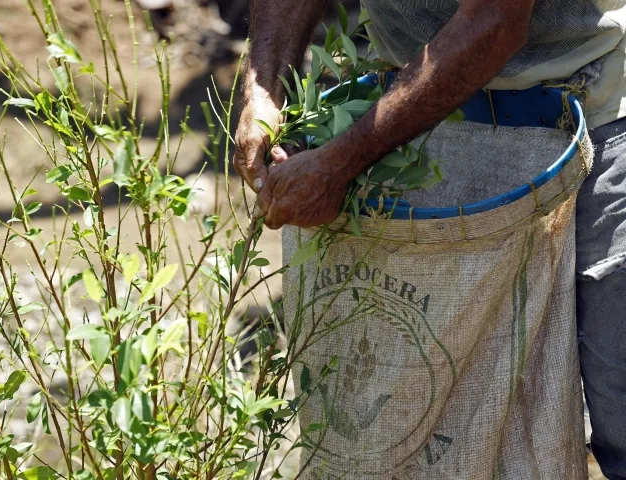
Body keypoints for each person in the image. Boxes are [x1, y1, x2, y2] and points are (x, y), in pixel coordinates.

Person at [234, 1, 626, 478]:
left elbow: (494, 23)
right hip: (415, 115)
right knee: (405, 396)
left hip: (592, 95)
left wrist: (341, 162)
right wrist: (264, 88)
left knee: (619, 396)